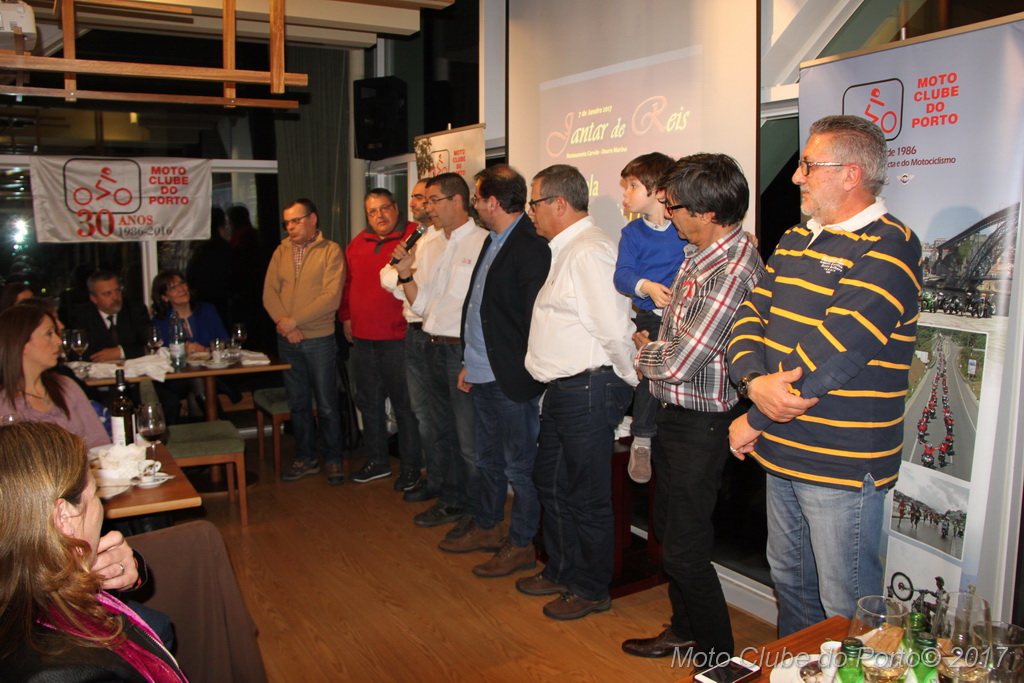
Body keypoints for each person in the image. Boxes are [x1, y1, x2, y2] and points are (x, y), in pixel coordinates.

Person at [728, 115, 922, 636]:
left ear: (851, 174)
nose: (797, 176)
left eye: (809, 165)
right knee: (790, 583)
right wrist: (752, 383)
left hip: (840, 462)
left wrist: (754, 417)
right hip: (783, 451)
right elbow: (749, 316)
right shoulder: (796, 238)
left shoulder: (891, 246)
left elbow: (836, 352)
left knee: (848, 606)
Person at [623, 154, 764, 659]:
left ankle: (718, 659)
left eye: (675, 206)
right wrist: (658, 350)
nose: (668, 213)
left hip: (701, 424)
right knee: (669, 534)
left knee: (684, 550)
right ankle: (685, 630)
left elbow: (680, 360)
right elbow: (678, 339)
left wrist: (645, 354)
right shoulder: (700, 252)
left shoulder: (730, 269)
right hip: (675, 416)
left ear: (706, 213)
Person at [518, 164, 637, 621]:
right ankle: (562, 570)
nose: (530, 212)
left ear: (559, 204)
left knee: (586, 495)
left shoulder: (589, 251)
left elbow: (613, 328)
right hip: (565, 390)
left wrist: (627, 381)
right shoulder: (567, 249)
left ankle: (590, 588)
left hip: (588, 388)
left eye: (534, 203)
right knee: (550, 482)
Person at [0, 421, 186, 680]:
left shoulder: (24, 576)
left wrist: (119, 571)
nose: (101, 505)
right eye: (96, 493)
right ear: (64, 517)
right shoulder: (74, 671)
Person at [439, 164, 551, 578]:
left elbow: (532, 321)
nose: (473, 206)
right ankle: (488, 526)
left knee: (520, 467)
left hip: (511, 380)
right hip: (481, 371)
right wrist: (469, 361)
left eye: (476, 199)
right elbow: (479, 306)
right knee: (487, 459)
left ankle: (521, 544)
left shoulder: (530, 245)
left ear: (493, 202)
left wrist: (514, 370)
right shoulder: (493, 239)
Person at [391, 173, 488, 539]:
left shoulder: (482, 242)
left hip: (461, 350)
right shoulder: (434, 245)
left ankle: (478, 514)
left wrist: (473, 357)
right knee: (438, 432)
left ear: (457, 201)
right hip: (430, 346)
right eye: (426, 201)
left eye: (434, 200)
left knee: (469, 441)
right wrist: (405, 275)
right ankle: (451, 499)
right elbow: (423, 304)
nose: (427, 207)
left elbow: (483, 309)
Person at [339, 188, 423, 489]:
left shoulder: (415, 238)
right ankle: (377, 461)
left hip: (398, 339)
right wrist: (346, 317)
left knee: (405, 406)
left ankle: (411, 467)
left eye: (385, 208)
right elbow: (348, 284)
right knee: (369, 403)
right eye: (372, 212)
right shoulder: (357, 244)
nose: (380, 216)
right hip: (362, 339)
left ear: (397, 208)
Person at [613, 152, 684, 483]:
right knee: (649, 373)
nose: (625, 194)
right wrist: (647, 286)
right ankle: (642, 440)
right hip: (650, 318)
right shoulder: (632, 233)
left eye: (632, 186)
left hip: (684, 319)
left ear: (658, 190)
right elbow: (622, 277)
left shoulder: (683, 225)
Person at [264, 198, 345, 485]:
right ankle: (306, 458)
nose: (291, 227)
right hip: (288, 340)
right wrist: (286, 326)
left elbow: (331, 297)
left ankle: (334, 460)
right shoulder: (281, 251)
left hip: (319, 339)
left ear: (313, 219)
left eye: (296, 220)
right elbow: (269, 293)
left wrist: (294, 321)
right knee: (297, 403)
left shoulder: (331, 251)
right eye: (287, 222)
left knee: (326, 404)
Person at [380, 179, 450, 503]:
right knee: (423, 416)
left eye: (423, 198)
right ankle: (434, 479)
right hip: (414, 333)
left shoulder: (443, 241)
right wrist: (405, 283)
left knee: (439, 419)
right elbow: (385, 275)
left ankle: (446, 486)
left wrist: (405, 282)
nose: (416, 204)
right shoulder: (417, 237)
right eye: (415, 198)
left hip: (433, 334)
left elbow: (424, 294)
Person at [0, 305, 110, 448]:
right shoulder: (4, 403)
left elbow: (100, 442)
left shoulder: (66, 386)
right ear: (22, 343)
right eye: (49, 333)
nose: (58, 341)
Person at [69, 270, 150, 362]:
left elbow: (149, 345)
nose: (115, 297)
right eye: (108, 293)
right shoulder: (81, 315)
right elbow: (76, 352)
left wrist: (121, 352)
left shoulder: (135, 310)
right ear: (94, 298)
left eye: (118, 290)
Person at [151, 269, 229, 352]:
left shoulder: (207, 311)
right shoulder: (160, 323)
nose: (181, 289)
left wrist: (204, 350)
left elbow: (226, 344)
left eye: (182, 283)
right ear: (164, 297)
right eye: (173, 288)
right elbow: (160, 353)